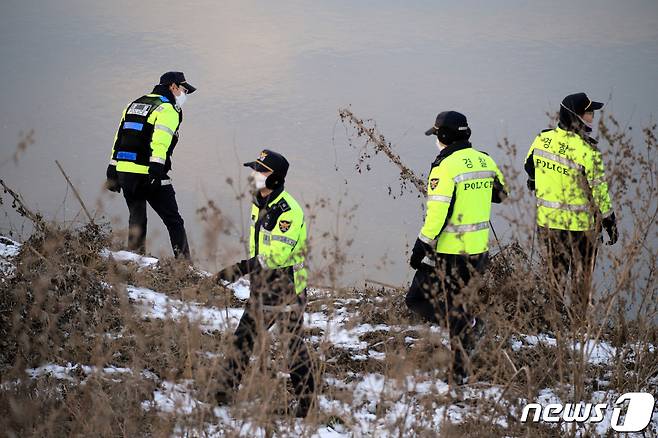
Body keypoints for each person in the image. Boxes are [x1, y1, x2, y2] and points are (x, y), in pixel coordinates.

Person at [405, 111, 507, 384]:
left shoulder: (445, 167)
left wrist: (421, 246)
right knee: (457, 307)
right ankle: (459, 371)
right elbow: (501, 194)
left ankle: (470, 330)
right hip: (479, 251)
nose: (436, 139)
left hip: (451, 253)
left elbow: (437, 215)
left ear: (444, 136)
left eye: (437, 134)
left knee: (417, 300)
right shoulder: (484, 159)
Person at [214, 149, 315, 417]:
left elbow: (277, 255)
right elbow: (258, 247)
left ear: (275, 178)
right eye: (254, 169)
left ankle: (306, 407)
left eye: (261, 171)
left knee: (291, 345)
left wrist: (240, 269)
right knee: (245, 338)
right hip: (263, 283)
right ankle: (222, 396)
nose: (254, 175)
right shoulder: (259, 203)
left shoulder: (288, 211)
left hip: (286, 287)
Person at [524, 92, 618, 323]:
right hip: (581, 229)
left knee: (554, 279)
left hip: (548, 224)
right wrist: (610, 222)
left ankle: (552, 325)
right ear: (577, 116)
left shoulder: (542, 139)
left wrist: (536, 181)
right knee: (581, 281)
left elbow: (529, 166)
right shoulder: (588, 151)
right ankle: (578, 326)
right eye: (589, 112)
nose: (593, 117)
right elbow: (600, 193)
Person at [105, 71, 196, 259]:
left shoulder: (134, 104)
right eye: (184, 90)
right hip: (147, 172)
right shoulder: (168, 109)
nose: (185, 95)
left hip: (124, 172)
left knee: (137, 218)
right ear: (173, 87)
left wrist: (112, 168)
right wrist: (156, 171)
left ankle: (135, 259)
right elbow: (160, 141)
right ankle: (185, 267)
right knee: (174, 220)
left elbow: (119, 137)